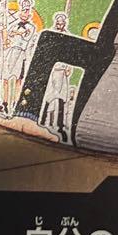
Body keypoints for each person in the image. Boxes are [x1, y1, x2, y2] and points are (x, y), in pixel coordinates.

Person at [40, 12, 73, 143]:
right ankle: (42, 121)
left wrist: (69, 67)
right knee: (48, 97)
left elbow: (70, 53)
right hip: (53, 71)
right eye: (58, 23)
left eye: (62, 23)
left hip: (62, 72)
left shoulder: (68, 35)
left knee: (62, 98)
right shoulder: (51, 34)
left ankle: (60, 126)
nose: (60, 25)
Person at [2, 0, 38, 116]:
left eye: (27, 11)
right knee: (6, 79)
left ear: (30, 14)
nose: (24, 14)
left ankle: (14, 104)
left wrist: (16, 33)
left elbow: (26, 37)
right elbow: (8, 35)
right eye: (23, 11)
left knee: (18, 80)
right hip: (10, 52)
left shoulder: (31, 27)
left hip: (20, 54)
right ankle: (5, 103)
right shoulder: (13, 24)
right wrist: (15, 34)